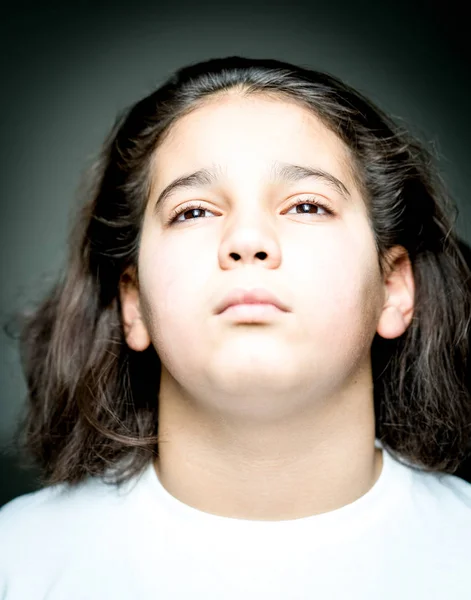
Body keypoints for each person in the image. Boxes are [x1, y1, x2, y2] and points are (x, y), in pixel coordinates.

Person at [1, 56, 471, 599]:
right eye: (193, 212)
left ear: (394, 288)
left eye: (307, 206)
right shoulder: (20, 562)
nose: (247, 239)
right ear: (132, 302)